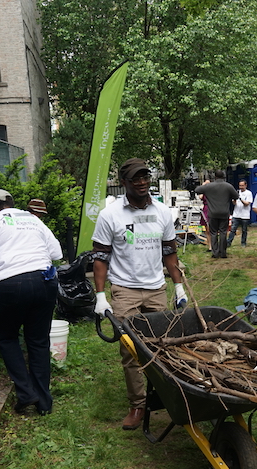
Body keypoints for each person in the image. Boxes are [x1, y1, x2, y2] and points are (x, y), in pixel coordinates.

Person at [91, 158, 187, 430]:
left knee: (162, 347)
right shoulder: (110, 216)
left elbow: (169, 251)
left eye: (145, 177)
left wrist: (178, 285)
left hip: (156, 288)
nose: (142, 182)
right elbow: (100, 257)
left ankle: (165, 397)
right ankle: (137, 405)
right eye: (136, 178)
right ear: (124, 183)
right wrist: (101, 296)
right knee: (131, 350)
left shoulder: (162, 213)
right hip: (125, 290)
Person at [0, 189, 62, 416]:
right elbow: (56, 253)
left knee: (7, 338)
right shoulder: (32, 219)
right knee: (38, 341)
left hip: (9, 286)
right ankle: (44, 403)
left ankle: (26, 394)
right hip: (44, 281)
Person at [195, 170, 238, 258]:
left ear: (215, 177)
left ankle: (215, 253)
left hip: (212, 213)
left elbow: (197, 190)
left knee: (213, 233)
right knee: (223, 232)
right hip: (224, 213)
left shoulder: (209, 186)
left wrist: (205, 185)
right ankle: (223, 253)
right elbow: (236, 196)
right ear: (223, 176)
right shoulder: (228, 186)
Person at [227, 179, 253, 248]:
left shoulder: (249, 193)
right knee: (233, 229)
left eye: (242, 185)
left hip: (245, 215)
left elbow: (247, 203)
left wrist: (240, 198)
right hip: (236, 214)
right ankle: (228, 242)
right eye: (240, 185)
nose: (241, 187)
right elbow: (234, 203)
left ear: (245, 185)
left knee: (244, 230)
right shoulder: (236, 192)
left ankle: (243, 243)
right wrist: (235, 199)